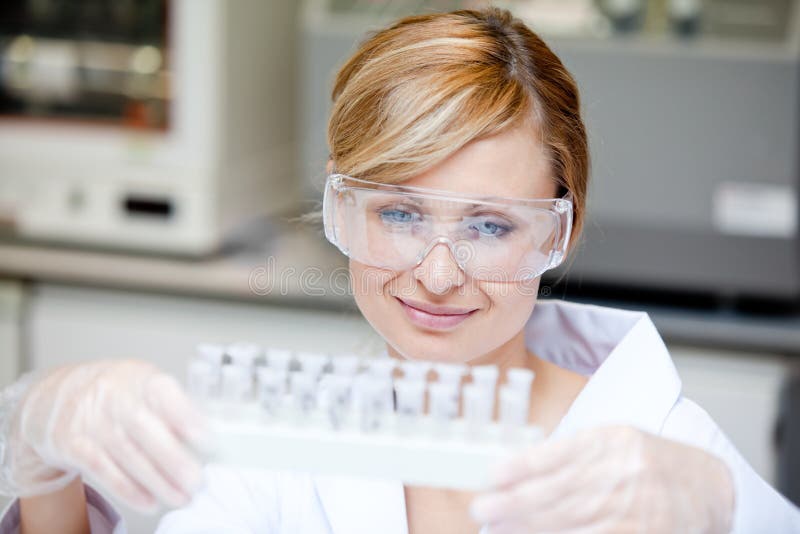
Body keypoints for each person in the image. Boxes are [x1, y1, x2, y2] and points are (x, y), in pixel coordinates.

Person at [1, 7, 798, 534]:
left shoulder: (657, 448)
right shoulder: (285, 442)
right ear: (343, 208)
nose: (438, 275)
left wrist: (726, 509)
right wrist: (43, 464)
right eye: (401, 214)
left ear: (564, 227)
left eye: (490, 225)